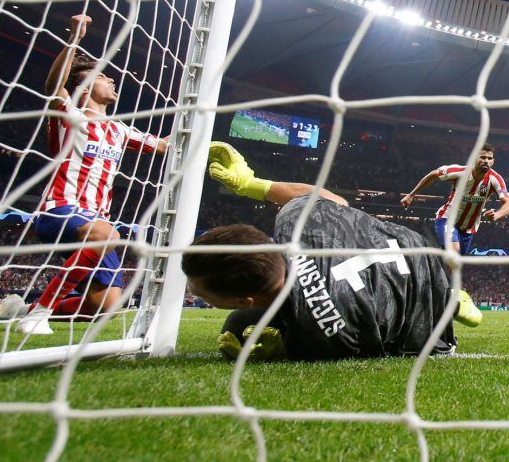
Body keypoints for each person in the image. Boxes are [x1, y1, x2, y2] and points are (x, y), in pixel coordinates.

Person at [181, 142, 481, 362]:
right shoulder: (293, 222)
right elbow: (333, 199)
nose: (195, 295)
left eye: (202, 295)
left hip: (422, 306)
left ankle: (447, 300)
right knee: (238, 326)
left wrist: (285, 352)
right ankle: (451, 293)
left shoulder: (321, 329)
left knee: (238, 327)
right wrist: (250, 185)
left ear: (245, 300)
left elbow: (361, 350)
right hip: (418, 248)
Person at [16, 14, 168, 335]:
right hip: (61, 210)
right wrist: (74, 38)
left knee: (106, 307)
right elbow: (55, 88)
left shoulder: (119, 130)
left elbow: (163, 146)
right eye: (103, 77)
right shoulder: (69, 115)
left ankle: (22, 308)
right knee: (109, 234)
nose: (111, 81)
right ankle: (38, 313)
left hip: (97, 222)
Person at [399, 144, 509, 259]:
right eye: (482, 157)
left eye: (489, 158)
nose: (486, 161)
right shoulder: (459, 172)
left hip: (468, 229)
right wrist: (411, 195)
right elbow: (434, 174)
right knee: (454, 253)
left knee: (456, 263)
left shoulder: (495, 179)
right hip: (447, 218)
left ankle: (436, 266)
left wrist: (497, 215)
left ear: (493, 161)